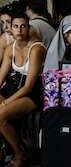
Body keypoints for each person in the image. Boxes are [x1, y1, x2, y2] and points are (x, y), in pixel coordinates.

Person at [0, 13, 45, 165]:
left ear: (28, 28)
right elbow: (0, 78)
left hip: (32, 92)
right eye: (15, 26)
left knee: (1, 113)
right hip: (13, 87)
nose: (19, 30)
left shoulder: (36, 48)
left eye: (23, 26)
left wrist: (6, 102)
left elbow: (29, 86)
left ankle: (19, 153)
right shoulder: (9, 49)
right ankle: (5, 149)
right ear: (10, 28)